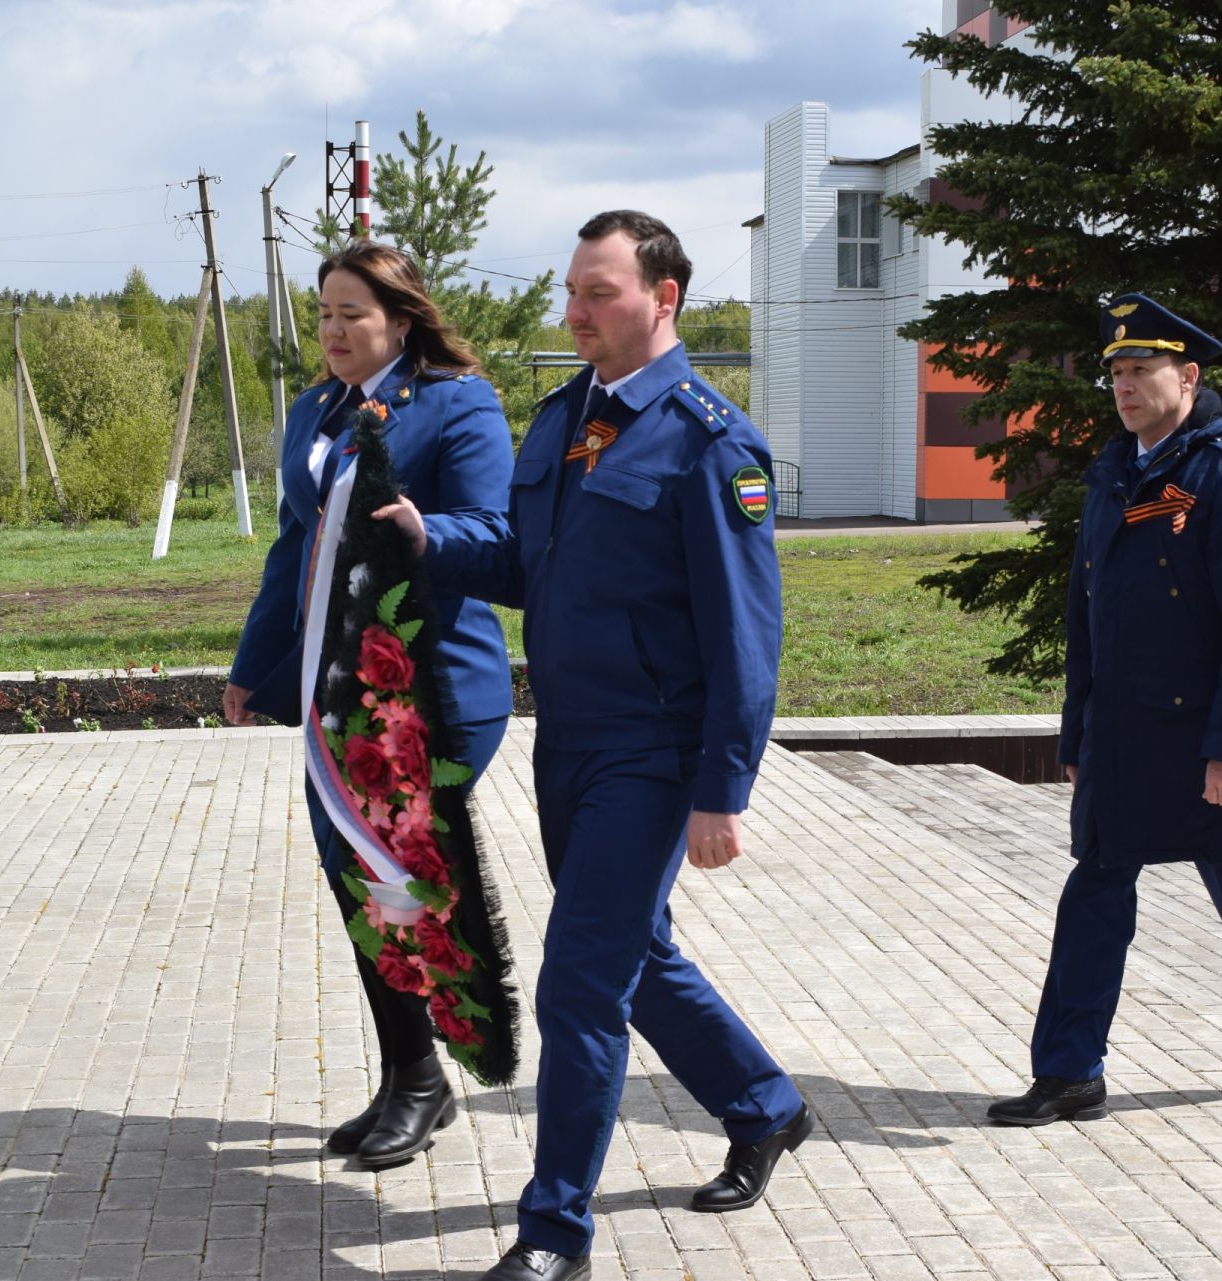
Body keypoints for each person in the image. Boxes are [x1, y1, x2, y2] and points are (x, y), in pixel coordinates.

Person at [377, 211, 807, 1281]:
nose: (575, 313)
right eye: (571, 292)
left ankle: (553, 1232)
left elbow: (745, 633)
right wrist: (428, 537)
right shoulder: (569, 417)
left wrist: (724, 787)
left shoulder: (712, 442)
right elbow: (531, 561)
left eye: (599, 294)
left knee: (578, 984)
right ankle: (766, 1105)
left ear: (664, 299)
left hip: (654, 754)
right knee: (635, 957)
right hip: (566, 741)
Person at [989, 294, 1222, 1130]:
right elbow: (1090, 618)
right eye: (1115, 373)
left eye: (1140, 370)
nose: (1123, 386)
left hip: (1205, 741)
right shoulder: (1113, 473)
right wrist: (1077, 731)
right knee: (1095, 890)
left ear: (1187, 376)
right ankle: (1070, 1071)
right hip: (1123, 739)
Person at [223, 241, 514, 1166]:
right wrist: (252, 663)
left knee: (404, 880)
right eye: (324, 315)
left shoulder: (456, 402)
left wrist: (429, 530)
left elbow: (498, 531)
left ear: (401, 316)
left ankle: (428, 1077)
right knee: (363, 882)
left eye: (354, 314)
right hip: (333, 694)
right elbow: (291, 548)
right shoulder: (314, 411)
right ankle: (408, 1074)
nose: (336, 331)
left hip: (425, 692)